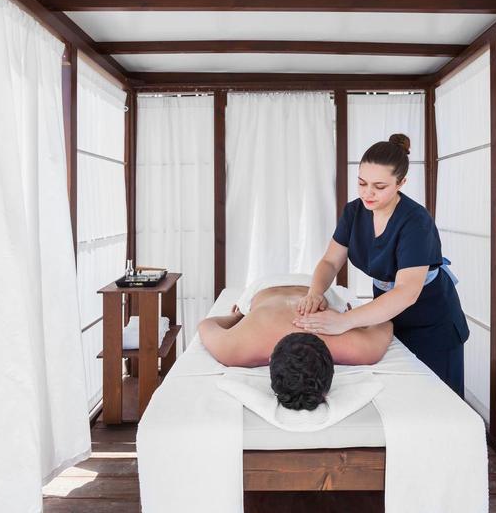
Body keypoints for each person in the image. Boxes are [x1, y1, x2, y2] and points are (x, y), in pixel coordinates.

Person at [293, 134, 470, 398]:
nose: (368, 193)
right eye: (362, 183)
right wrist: (315, 292)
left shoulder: (416, 221)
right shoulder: (354, 212)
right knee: (399, 397)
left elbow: (407, 292)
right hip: (387, 315)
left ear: (401, 183)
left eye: (379, 186)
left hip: (432, 321)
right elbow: (330, 261)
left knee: (438, 400)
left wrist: (344, 322)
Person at [197, 284, 393, 410]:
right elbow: (385, 322)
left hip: (268, 287)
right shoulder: (234, 350)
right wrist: (350, 319)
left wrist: (236, 317)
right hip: (304, 287)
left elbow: (205, 325)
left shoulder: (357, 349)